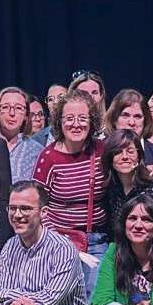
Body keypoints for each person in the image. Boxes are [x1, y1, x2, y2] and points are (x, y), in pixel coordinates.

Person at [32, 91, 107, 290]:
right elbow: (37, 205)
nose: (76, 124)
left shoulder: (102, 150)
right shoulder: (48, 157)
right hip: (59, 240)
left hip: (97, 241)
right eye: (69, 118)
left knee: (92, 301)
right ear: (59, 121)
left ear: (92, 121)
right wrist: (58, 240)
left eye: (82, 118)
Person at [99, 129, 153, 229]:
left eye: (130, 152)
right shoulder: (111, 187)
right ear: (109, 158)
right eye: (117, 152)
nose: (125, 157)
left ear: (139, 156)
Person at [103, 89, 153, 181]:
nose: (131, 122)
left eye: (137, 116)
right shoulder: (100, 150)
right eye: (125, 115)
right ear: (114, 119)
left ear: (145, 121)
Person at [0, 87, 44, 194]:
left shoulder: (37, 150)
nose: (12, 113)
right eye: (5, 107)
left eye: (18, 108)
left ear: (26, 116)